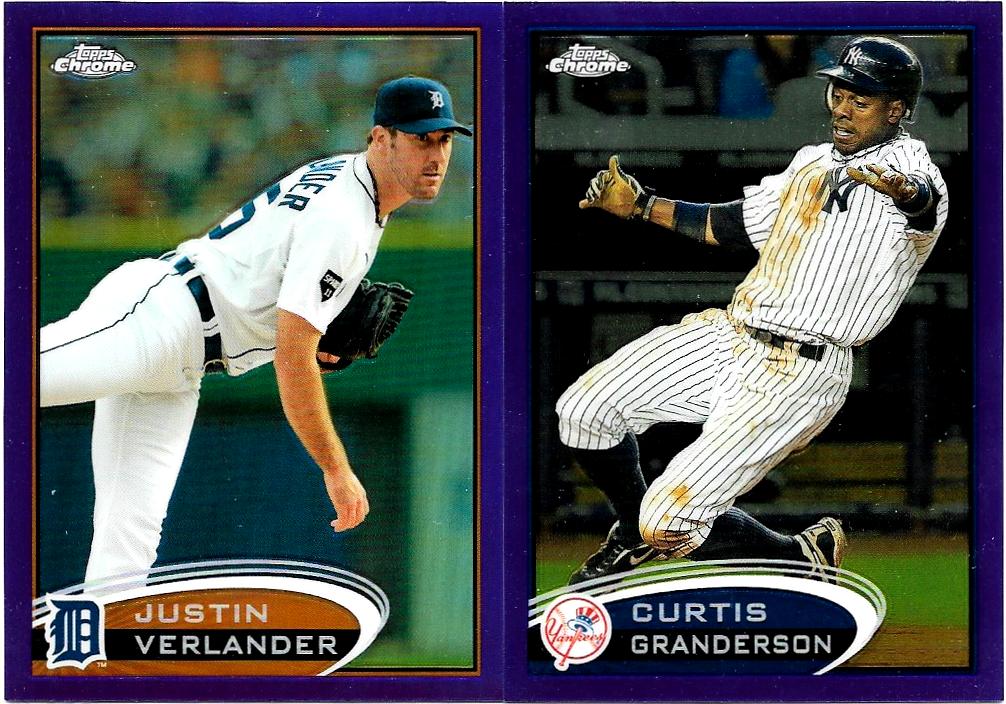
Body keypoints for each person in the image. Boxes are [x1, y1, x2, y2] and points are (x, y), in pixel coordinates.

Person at [40, 76, 472, 584]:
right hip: (158, 316)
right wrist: (336, 468)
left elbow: (283, 311)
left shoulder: (349, 180)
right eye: (420, 139)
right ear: (381, 138)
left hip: (184, 357)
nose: (436, 155)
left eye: (444, 140)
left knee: (128, 542)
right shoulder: (345, 218)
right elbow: (293, 358)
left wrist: (313, 338)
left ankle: (95, 637)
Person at [559, 36, 947, 585]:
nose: (841, 108)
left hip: (801, 371)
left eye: (860, 100)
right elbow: (734, 224)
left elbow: (922, 203)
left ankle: (792, 557)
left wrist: (906, 192)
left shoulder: (912, 168)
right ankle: (633, 531)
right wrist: (643, 205)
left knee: (668, 521)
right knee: (582, 411)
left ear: (897, 110)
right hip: (732, 335)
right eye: (839, 93)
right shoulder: (812, 161)